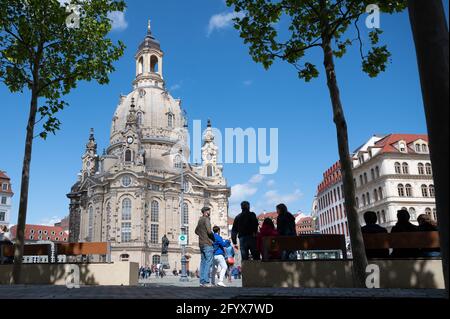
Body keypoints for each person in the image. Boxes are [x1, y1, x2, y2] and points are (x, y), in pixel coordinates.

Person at [195, 207, 215, 287]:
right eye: (209, 211)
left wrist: (201, 235)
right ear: (206, 212)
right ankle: (206, 281)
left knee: (203, 262)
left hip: (201, 244)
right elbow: (209, 231)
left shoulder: (200, 220)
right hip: (207, 243)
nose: (210, 212)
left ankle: (202, 281)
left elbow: (196, 231)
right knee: (208, 262)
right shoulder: (206, 219)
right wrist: (213, 239)